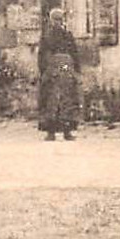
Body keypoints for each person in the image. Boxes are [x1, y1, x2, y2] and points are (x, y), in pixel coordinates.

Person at [38, 8, 82, 141]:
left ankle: (67, 131)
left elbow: (74, 53)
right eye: (55, 19)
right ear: (51, 20)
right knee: (51, 102)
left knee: (67, 101)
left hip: (67, 70)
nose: (58, 22)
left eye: (60, 19)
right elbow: (41, 55)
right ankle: (50, 132)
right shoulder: (46, 36)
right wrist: (43, 70)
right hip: (52, 71)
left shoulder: (67, 35)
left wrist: (76, 70)